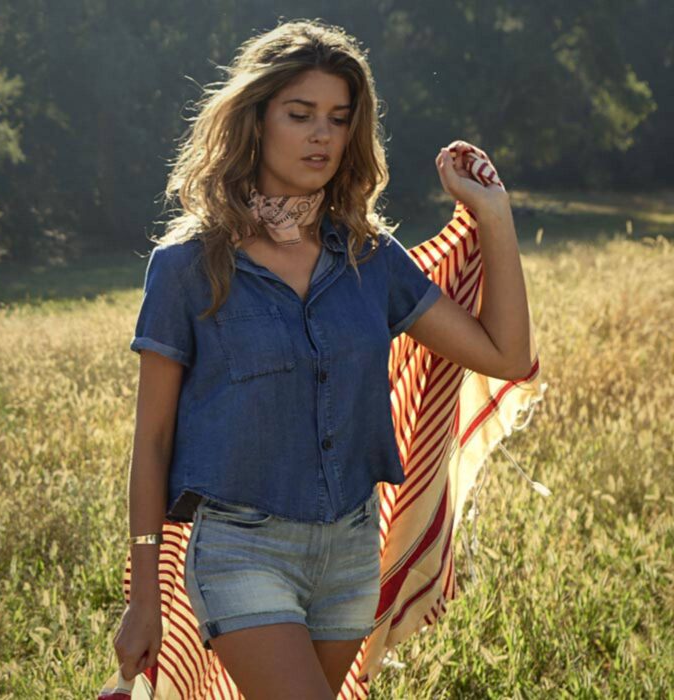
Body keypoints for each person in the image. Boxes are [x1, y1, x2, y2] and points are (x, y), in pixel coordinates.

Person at [111, 19, 533, 699]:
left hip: (349, 551)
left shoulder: (371, 259)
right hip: (241, 547)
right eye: (300, 114)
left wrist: (495, 213)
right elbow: (152, 442)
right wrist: (143, 596)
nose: (322, 135)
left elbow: (507, 355)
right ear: (255, 120)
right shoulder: (189, 266)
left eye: (339, 119)